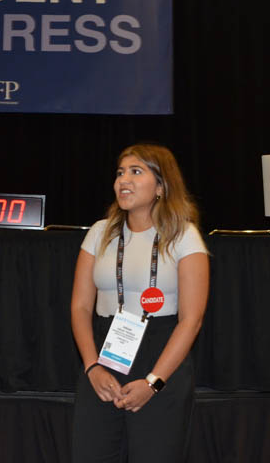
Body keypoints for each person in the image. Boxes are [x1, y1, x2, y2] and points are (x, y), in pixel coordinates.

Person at [70, 144, 209, 462]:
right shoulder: (100, 233)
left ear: (161, 186)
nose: (123, 181)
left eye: (136, 171)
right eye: (120, 173)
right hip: (105, 355)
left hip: (162, 355)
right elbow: (79, 307)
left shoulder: (184, 236)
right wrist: (92, 367)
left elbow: (192, 319)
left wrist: (153, 382)